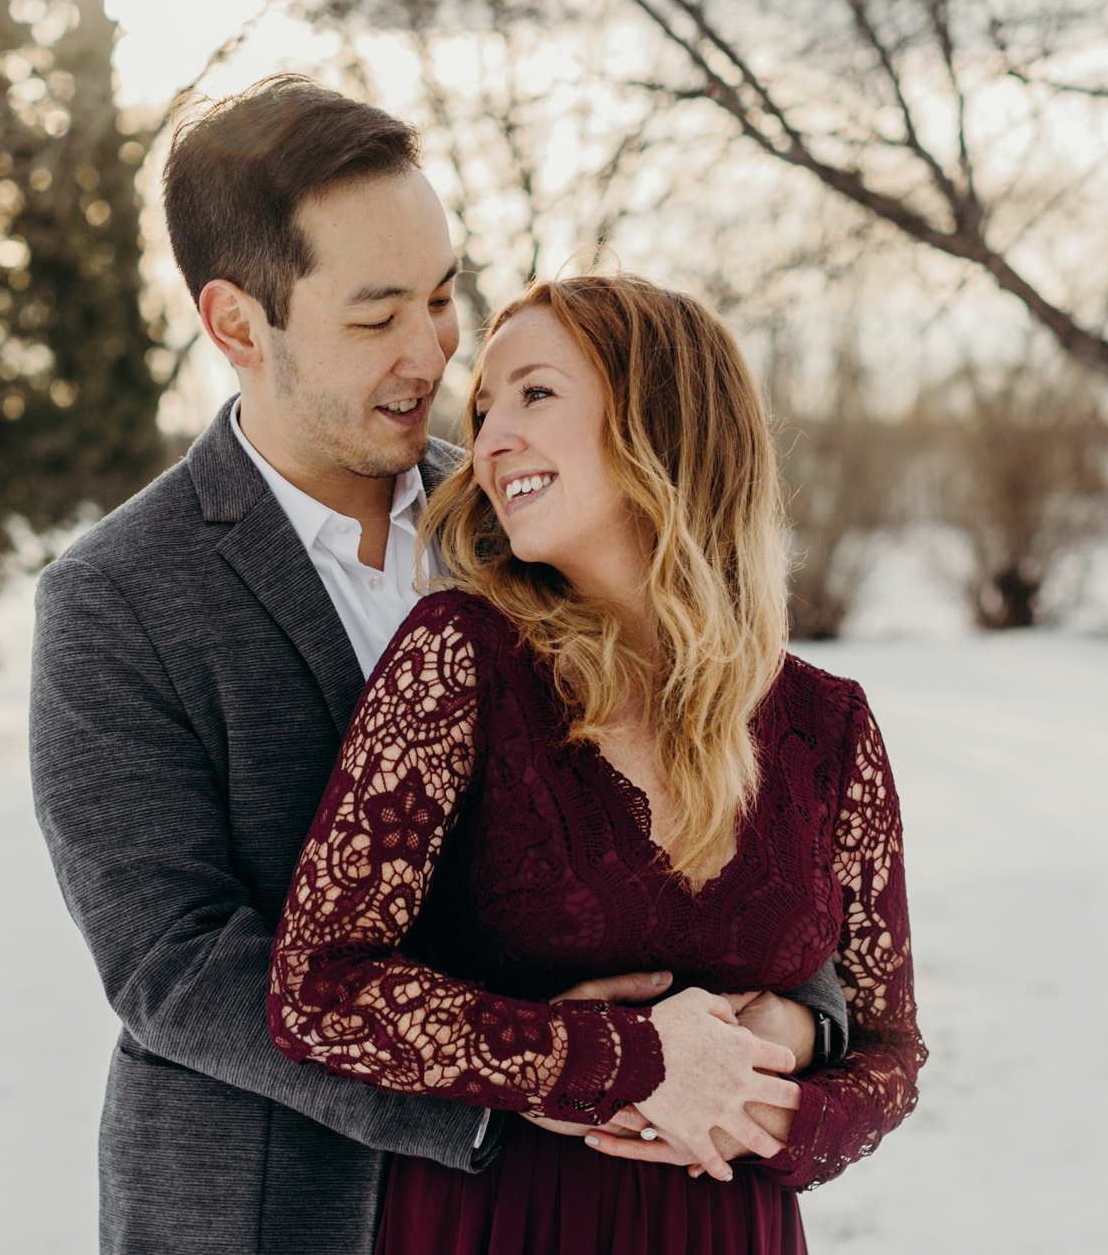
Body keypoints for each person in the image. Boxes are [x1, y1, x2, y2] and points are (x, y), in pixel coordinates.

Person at [29, 78, 851, 1255]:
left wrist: (785, 1020)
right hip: (269, 1212)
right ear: (237, 325)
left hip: (579, 1207)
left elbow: (748, 835)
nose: (432, 352)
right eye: (376, 318)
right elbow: (175, 961)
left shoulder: (547, 514)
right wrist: (540, 1066)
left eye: (443, 294)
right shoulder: (117, 599)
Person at [266, 272, 925, 1253]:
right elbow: (318, 989)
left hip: (726, 1220)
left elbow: (890, 1047)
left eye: (534, 393)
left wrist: (787, 1110)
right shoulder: (459, 661)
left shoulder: (826, 726)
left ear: (660, 417)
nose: (487, 442)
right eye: (483, 408)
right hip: (505, 1219)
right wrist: (615, 1056)